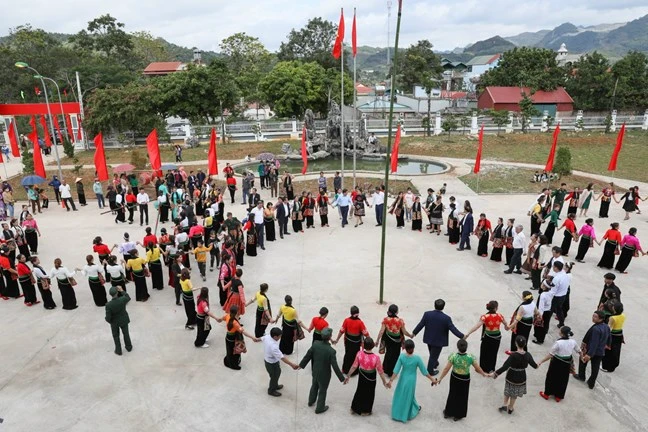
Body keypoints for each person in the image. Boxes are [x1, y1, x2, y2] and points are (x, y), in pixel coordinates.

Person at [434, 339, 489, 421]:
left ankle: (448, 412)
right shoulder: (470, 357)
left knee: (452, 393)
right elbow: (477, 368)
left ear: (458, 347)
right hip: (465, 379)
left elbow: (446, 369)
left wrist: (440, 378)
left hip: (455, 377)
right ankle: (458, 415)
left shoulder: (453, 356)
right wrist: (484, 374)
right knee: (463, 396)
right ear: (466, 347)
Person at [298, 327, 346, 414]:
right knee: (322, 390)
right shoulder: (331, 351)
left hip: (315, 371)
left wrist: (301, 365)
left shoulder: (315, 344)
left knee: (314, 385)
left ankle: (311, 401)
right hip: (325, 374)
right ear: (330, 336)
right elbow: (335, 366)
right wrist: (342, 378)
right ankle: (319, 408)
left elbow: (308, 356)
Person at [412, 299, 464, 375]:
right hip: (438, 341)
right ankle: (430, 371)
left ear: (434, 305)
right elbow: (453, 329)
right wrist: (462, 336)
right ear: (443, 307)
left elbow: (421, 324)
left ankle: (435, 363)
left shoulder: (427, 314)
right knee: (433, 356)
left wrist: (414, 333)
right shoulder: (446, 318)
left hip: (429, 338)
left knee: (432, 353)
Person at [388, 339, 435, 423]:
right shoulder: (417, 359)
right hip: (411, 380)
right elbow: (424, 372)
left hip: (403, 379)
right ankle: (406, 414)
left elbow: (396, 370)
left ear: (405, 348)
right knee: (409, 395)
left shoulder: (401, 356)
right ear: (413, 348)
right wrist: (432, 379)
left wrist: (391, 381)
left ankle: (397, 413)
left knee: (400, 394)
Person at [493, 335, 538, 414]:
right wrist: (538, 364)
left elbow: (505, 367)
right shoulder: (528, 355)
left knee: (508, 390)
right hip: (521, 376)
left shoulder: (513, 355)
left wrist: (496, 373)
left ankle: (504, 405)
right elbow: (534, 366)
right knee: (514, 394)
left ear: (516, 344)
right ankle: (510, 408)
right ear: (525, 344)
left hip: (511, 375)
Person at [344, 337, 389, 415]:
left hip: (362, 375)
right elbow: (380, 371)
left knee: (360, 390)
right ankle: (366, 410)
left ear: (363, 345)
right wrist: (384, 382)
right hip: (371, 376)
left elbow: (354, 366)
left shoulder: (359, 354)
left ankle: (355, 408)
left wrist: (348, 376)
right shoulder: (376, 358)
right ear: (372, 345)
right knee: (369, 393)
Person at [464, 300, 509, 373]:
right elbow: (506, 325)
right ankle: (491, 368)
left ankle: (483, 368)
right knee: (493, 353)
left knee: (485, 352)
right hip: (497, 338)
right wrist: (507, 326)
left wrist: (468, 333)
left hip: (488, 337)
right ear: (496, 308)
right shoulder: (500, 316)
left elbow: (476, 326)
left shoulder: (485, 317)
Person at [538, 326, 581, 402]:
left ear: (562, 333)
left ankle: (547, 394)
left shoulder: (558, 343)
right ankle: (559, 396)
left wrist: (541, 361)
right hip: (567, 363)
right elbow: (579, 350)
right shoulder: (573, 341)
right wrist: (583, 357)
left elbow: (551, 354)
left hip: (557, 362)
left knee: (551, 377)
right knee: (563, 379)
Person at [575, 311, 611, 389]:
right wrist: (607, 345)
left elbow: (594, 342)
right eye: (593, 316)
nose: (593, 318)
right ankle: (591, 382)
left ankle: (581, 376)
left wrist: (589, 354)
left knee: (582, 361)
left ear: (600, 319)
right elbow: (609, 337)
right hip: (600, 351)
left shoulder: (596, 329)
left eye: (595, 317)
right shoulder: (606, 326)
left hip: (591, 350)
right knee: (595, 367)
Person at [376, 304, 413, 377]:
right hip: (397, 341)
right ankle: (392, 371)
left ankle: (386, 369)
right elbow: (404, 332)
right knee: (395, 356)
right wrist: (410, 335)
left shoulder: (385, 320)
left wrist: (377, 340)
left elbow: (381, 331)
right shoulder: (400, 321)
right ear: (396, 312)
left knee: (388, 353)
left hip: (388, 339)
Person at [333, 306, 370, 375]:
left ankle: (345, 370)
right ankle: (354, 371)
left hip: (348, 342)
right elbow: (365, 333)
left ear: (350, 313)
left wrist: (337, 339)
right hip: (356, 343)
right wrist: (370, 340)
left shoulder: (346, 320)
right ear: (358, 313)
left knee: (347, 355)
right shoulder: (360, 322)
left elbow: (341, 331)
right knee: (355, 356)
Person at [263, 327, 300, 397]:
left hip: (269, 361)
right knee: (274, 376)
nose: (280, 337)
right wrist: (292, 365)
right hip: (271, 363)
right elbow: (282, 358)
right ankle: (271, 390)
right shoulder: (273, 346)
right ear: (275, 336)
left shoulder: (267, 337)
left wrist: (255, 339)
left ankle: (275, 385)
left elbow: (260, 338)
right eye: (279, 336)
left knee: (277, 373)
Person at [602, 301, 625, 373]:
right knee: (616, 351)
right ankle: (614, 365)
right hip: (619, 334)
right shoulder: (623, 316)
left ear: (614, 309)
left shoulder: (612, 318)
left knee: (608, 351)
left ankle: (606, 366)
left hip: (612, 335)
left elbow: (609, 328)